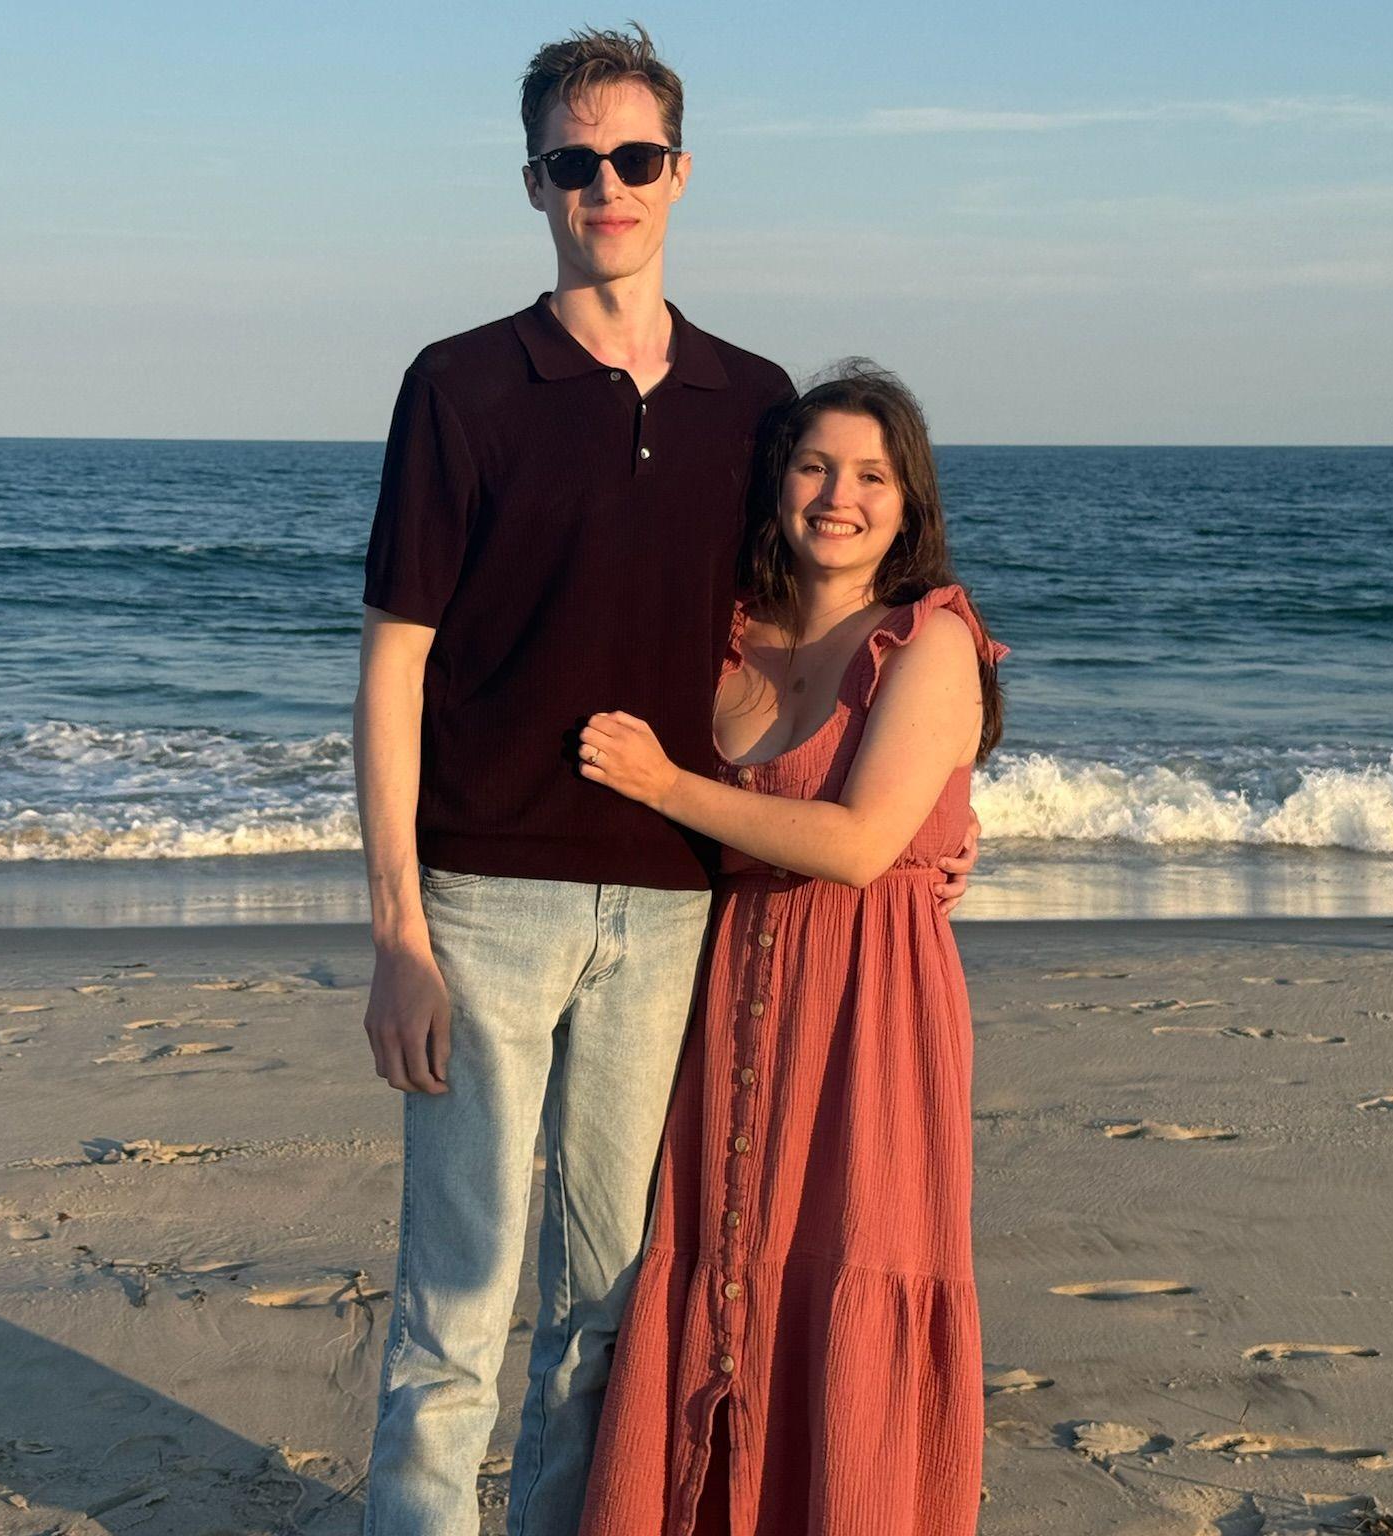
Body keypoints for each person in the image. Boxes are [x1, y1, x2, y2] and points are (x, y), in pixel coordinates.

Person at [353, 27, 979, 1536]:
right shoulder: (459, 384)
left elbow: (820, 593)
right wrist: (396, 933)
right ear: (536, 185)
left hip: (672, 915)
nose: (608, 187)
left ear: (679, 176)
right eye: (577, 164)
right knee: (458, 1297)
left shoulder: (751, 402)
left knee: (609, 1302)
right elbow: (391, 667)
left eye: (635, 159)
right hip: (488, 892)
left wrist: (921, 744)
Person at [574, 362, 1008, 1536]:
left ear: (908, 504)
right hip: (718, 989)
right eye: (814, 465)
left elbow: (863, 843)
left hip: (871, 1004)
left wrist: (667, 783)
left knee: (847, 1265)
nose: (838, 495)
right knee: (713, 1270)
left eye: (872, 474)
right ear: (776, 485)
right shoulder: (722, 632)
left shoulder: (930, 640)